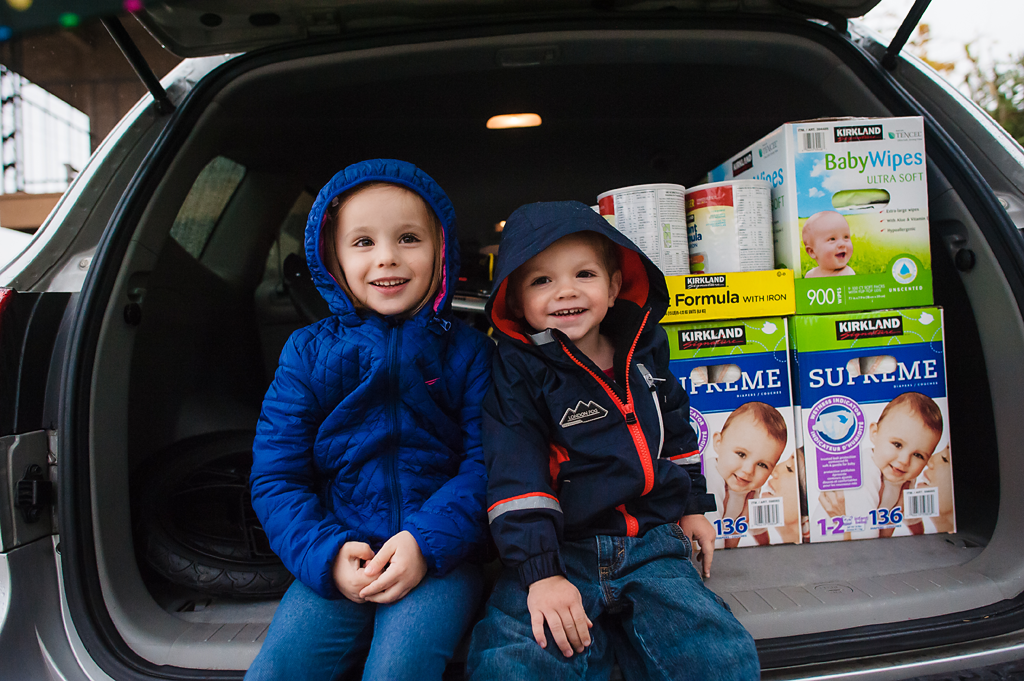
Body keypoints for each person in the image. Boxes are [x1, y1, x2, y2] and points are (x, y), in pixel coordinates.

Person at [467, 201, 759, 681]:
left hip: (653, 542)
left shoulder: (643, 353)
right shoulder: (520, 373)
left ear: (614, 286)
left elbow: (676, 430)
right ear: (515, 301)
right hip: (563, 548)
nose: (565, 291)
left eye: (584, 274)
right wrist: (541, 574)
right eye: (541, 281)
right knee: (515, 659)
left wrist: (690, 506)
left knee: (718, 654)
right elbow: (514, 473)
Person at [246, 159, 494, 681]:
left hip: (440, 557)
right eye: (362, 242)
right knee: (278, 671)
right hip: (340, 553)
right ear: (331, 259)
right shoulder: (306, 354)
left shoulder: (470, 353)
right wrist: (325, 552)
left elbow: (487, 464)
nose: (387, 258)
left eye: (408, 238)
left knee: (397, 668)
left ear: (440, 252)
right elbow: (276, 476)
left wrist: (426, 543)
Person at [817, 392, 943, 540]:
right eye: (897, 444)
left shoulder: (905, 475)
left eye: (918, 455)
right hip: (829, 537)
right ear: (875, 433)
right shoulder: (866, 468)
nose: (904, 461)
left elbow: (910, 515)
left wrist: (922, 538)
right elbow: (865, 531)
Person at [709, 402, 789, 548]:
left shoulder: (750, 485)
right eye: (741, 454)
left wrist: (766, 545)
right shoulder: (711, 475)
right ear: (718, 443)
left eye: (762, 465)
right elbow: (710, 528)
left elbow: (755, 521)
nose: (748, 470)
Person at [802, 210, 855, 277]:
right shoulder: (810, 275)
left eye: (846, 237)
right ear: (812, 251)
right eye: (832, 239)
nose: (842, 244)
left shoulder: (847, 274)